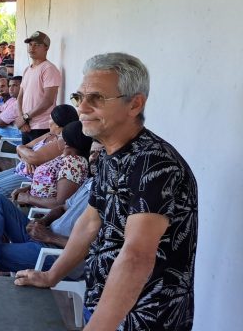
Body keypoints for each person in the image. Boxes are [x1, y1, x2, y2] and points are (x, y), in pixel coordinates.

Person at [15, 53, 198, 330]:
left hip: (143, 317)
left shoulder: (155, 164)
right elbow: (90, 222)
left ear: (134, 104)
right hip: (104, 304)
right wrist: (51, 276)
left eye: (97, 98)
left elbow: (136, 256)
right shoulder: (111, 155)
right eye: (79, 97)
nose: (82, 108)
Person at [0, 178, 93, 276]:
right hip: (44, 236)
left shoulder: (106, 201)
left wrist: (51, 237)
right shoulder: (92, 182)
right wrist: (43, 221)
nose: (93, 157)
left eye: (98, 152)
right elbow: (63, 207)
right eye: (92, 153)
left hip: (61, 255)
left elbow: (94, 249)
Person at [0, 104, 79, 200]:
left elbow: (33, 157)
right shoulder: (50, 134)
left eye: (51, 119)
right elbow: (25, 147)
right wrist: (24, 155)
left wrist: (27, 155)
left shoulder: (61, 142)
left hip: (30, 178)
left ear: (58, 124)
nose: (48, 122)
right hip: (21, 169)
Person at [8, 121, 92, 209]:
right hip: (30, 203)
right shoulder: (66, 157)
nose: (56, 139)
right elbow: (53, 184)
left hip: (37, 211)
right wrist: (28, 188)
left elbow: (60, 203)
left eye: (59, 136)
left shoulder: (74, 163)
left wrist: (28, 198)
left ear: (66, 142)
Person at [14, 31, 62, 144]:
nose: (32, 48)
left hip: (42, 126)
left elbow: (48, 101)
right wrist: (22, 119)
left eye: (37, 45)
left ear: (46, 48)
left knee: (35, 155)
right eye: (30, 44)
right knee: (24, 155)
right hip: (26, 125)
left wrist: (25, 118)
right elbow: (20, 97)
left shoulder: (49, 69)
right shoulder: (27, 70)